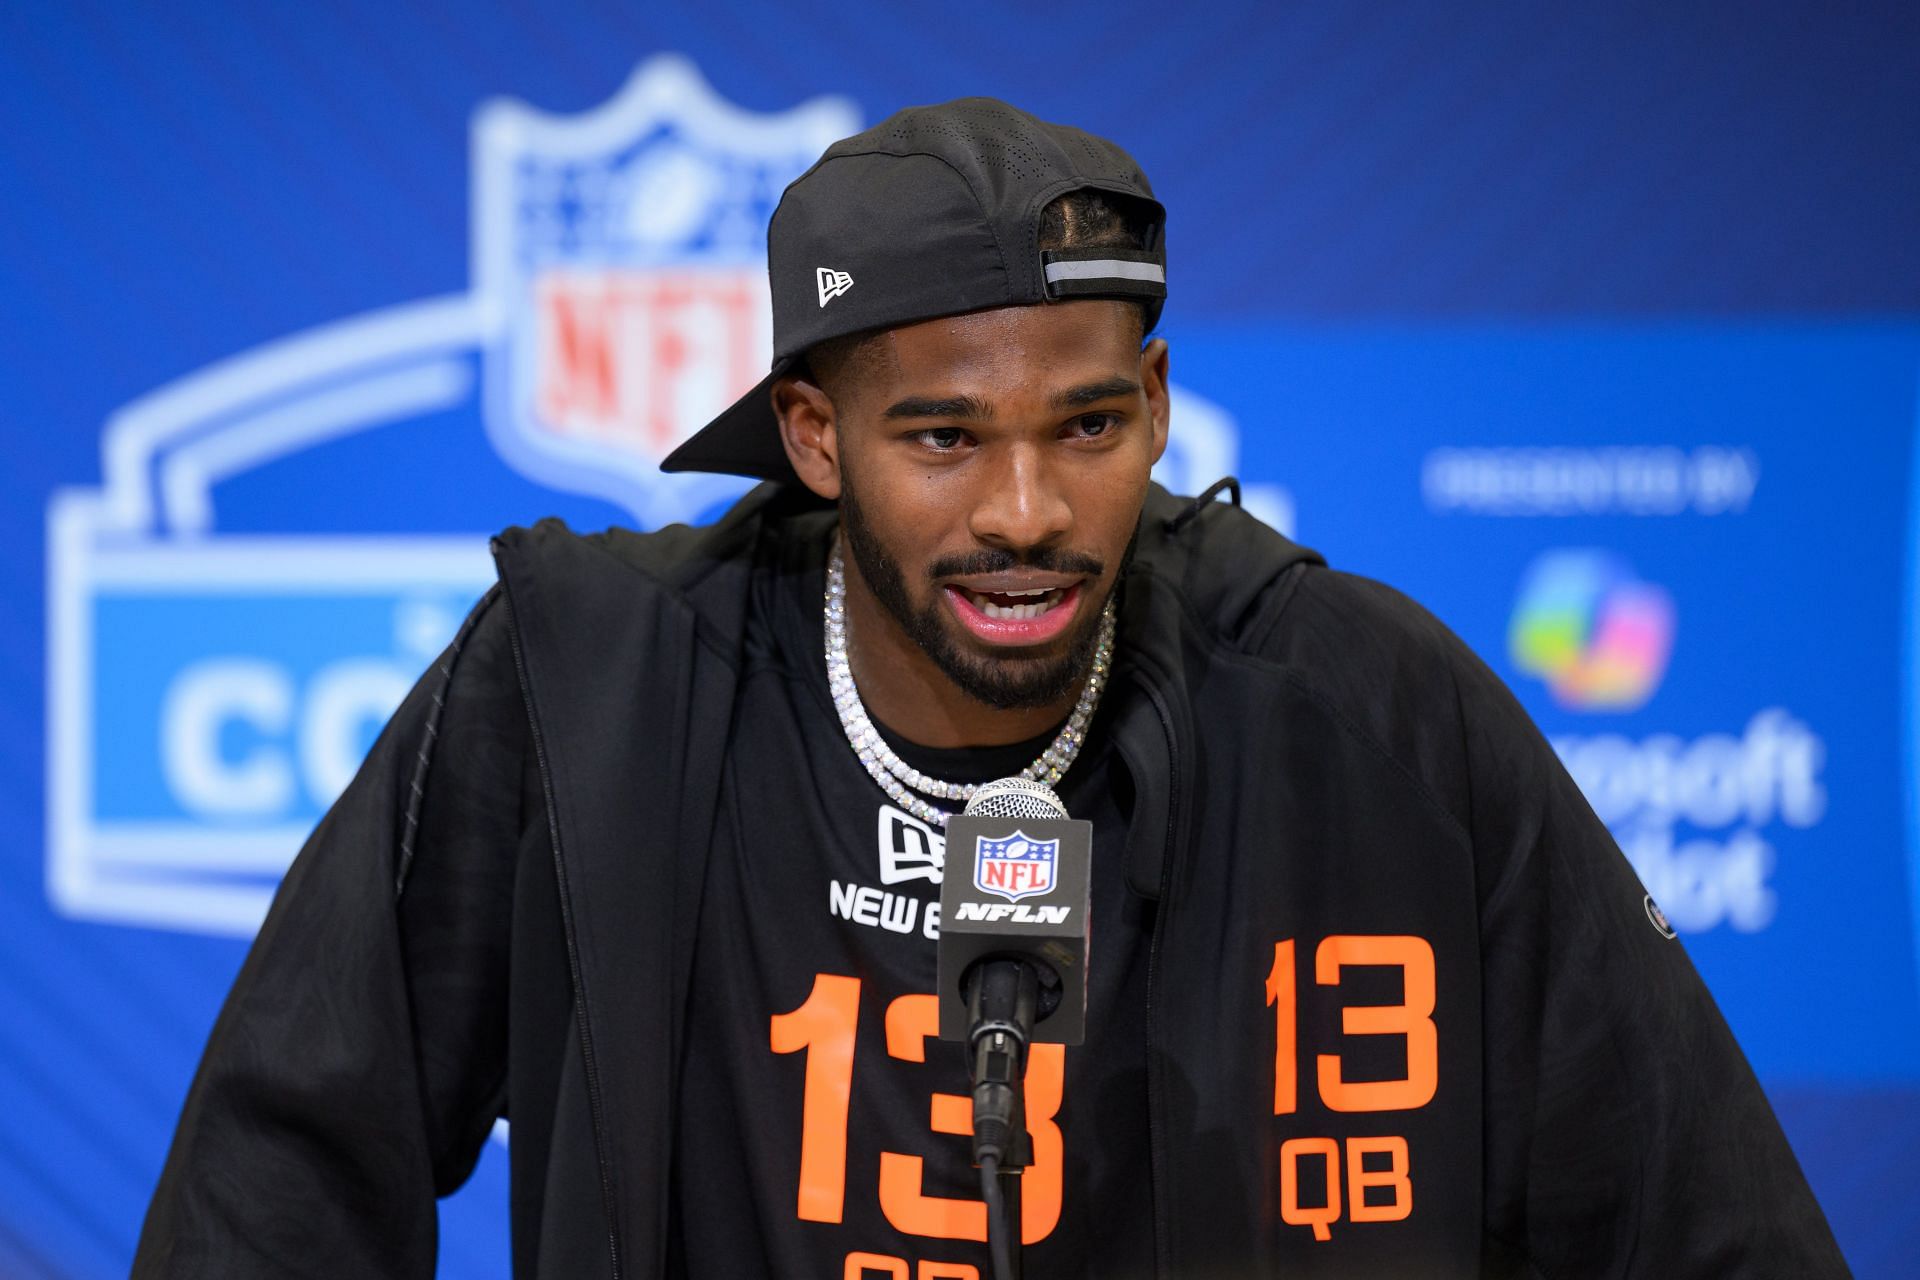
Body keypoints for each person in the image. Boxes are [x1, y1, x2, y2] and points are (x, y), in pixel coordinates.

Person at [134, 98, 1847, 1279]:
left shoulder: (1367, 709)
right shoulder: (580, 701)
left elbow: (1700, 1223)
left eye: (1087, 427)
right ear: (814, 436)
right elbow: (270, 1189)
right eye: (944, 437)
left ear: (1159, 406)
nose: (1025, 514)